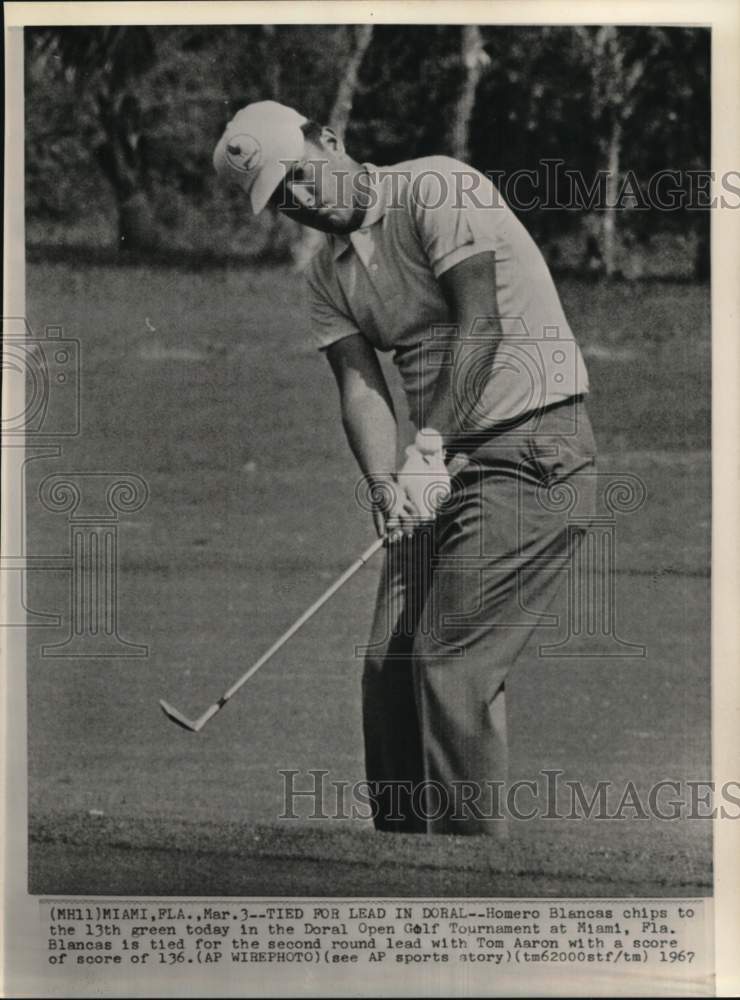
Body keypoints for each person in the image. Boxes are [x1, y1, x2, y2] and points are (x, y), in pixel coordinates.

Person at [214, 101, 597, 837]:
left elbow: (481, 323)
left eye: (300, 174)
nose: (301, 199)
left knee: (448, 658)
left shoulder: (435, 188)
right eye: (281, 196)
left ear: (330, 140)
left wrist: (428, 451)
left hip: (532, 451)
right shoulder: (330, 276)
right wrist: (387, 486)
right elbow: (360, 389)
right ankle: (398, 875)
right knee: (388, 666)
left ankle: (469, 887)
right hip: (442, 467)